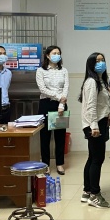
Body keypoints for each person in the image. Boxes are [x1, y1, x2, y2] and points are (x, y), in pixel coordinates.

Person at [79, 52, 110, 209]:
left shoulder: (100, 80)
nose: (101, 63)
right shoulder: (92, 81)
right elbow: (90, 106)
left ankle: (87, 191)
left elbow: (99, 103)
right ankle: (95, 195)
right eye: (97, 61)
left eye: (102, 60)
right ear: (91, 64)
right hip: (95, 124)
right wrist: (94, 126)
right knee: (97, 159)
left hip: (99, 122)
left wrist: (109, 110)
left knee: (92, 158)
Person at [36, 46, 69, 175]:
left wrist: (61, 104)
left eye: (58, 53)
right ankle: (46, 164)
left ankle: (60, 164)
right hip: (46, 104)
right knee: (45, 136)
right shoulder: (41, 71)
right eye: (54, 53)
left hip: (61, 104)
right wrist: (58, 97)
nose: (57, 55)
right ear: (47, 56)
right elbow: (42, 89)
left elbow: (66, 88)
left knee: (60, 136)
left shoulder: (64, 70)